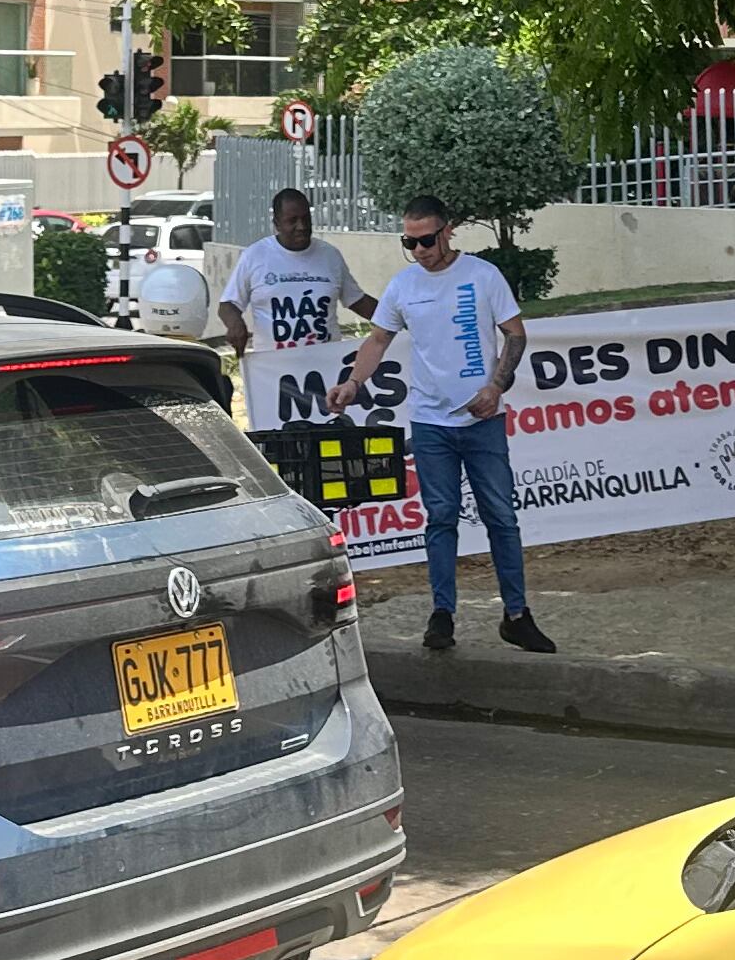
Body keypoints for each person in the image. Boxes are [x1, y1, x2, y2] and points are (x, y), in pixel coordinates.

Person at [345, 196, 554, 655]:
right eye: (409, 241)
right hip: (430, 422)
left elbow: (515, 333)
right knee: (440, 518)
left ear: (448, 231)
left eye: (426, 239)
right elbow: (378, 339)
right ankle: (442, 615)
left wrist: (496, 387)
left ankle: (516, 615)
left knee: (501, 516)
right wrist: (354, 382)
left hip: (482, 420)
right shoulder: (403, 286)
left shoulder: (482, 275)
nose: (419, 249)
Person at [221, 188, 377, 418]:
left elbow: (357, 300)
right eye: (292, 220)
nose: (301, 226)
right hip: (275, 373)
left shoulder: (329, 256)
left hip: (328, 370)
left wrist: (399, 321)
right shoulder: (255, 256)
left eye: (306, 218)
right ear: (276, 223)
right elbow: (227, 304)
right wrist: (235, 323)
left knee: (330, 439)